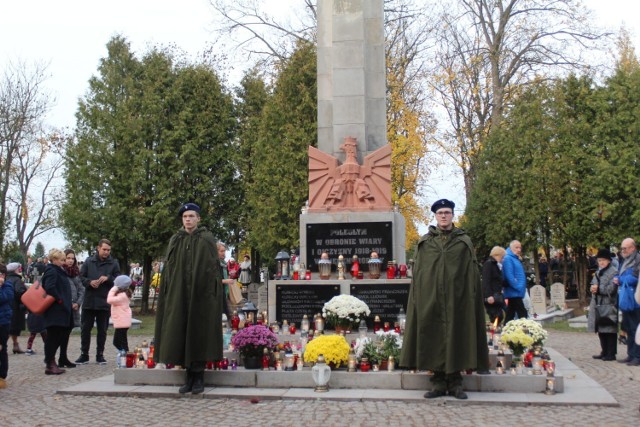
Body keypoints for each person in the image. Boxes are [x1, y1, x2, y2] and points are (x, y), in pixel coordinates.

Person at [400, 199, 489, 400]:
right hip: (431, 300)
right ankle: (438, 383)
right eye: (440, 212)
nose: (443, 215)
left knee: (456, 337)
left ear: (452, 215)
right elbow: (420, 275)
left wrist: (469, 298)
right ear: (435, 215)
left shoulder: (463, 242)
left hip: (458, 300)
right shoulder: (425, 243)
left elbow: (471, 275)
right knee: (435, 338)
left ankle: (456, 383)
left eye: (447, 212)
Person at [154, 203, 223, 395]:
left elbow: (212, 269)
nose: (188, 219)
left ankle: (199, 377)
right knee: (180, 330)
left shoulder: (206, 239)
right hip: (179, 294)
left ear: (198, 218)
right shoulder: (176, 240)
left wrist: (207, 291)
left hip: (201, 295)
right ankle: (188, 377)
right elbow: (169, 269)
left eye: (191, 216)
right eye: (185, 216)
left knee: (199, 332)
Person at [76, 239, 120, 365]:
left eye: (108, 250)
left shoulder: (113, 263)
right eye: (104, 249)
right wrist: (89, 282)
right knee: (85, 329)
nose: (106, 252)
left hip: (104, 301)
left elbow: (119, 279)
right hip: (89, 300)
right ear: (98, 248)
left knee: (102, 330)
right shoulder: (89, 261)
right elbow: (81, 277)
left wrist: (108, 278)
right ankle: (84, 354)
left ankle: (100, 354)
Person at [41, 249, 74, 375]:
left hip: (62, 309)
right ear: (54, 260)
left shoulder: (58, 270)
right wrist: (60, 300)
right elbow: (49, 287)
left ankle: (51, 361)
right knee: (53, 337)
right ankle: (50, 363)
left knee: (60, 334)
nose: (64, 262)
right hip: (56, 310)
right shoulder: (52, 270)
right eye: (61, 260)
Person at [588, 248, 618, 361]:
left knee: (609, 329)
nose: (601, 262)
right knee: (601, 328)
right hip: (597, 303)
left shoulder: (614, 272)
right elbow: (593, 284)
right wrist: (593, 288)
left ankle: (611, 353)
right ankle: (604, 351)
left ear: (609, 261)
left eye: (603, 260)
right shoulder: (597, 272)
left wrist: (599, 289)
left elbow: (612, 289)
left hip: (608, 304)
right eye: (599, 260)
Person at [615, 238, 640, 366]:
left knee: (636, 328)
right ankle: (630, 354)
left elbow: (635, 278)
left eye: (625, 248)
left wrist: (620, 279)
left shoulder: (638, 260)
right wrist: (617, 278)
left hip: (636, 299)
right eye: (622, 248)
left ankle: (638, 356)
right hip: (626, 297)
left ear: (633, 248)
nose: (622, 251)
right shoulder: (624, 260)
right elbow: (620, 274)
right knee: (628, 327)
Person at [58, 249, 84, 368]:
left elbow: (81, 289)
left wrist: (78, 303)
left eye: (72, 258)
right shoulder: (59, 271)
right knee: (58, 334)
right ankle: (52, 358)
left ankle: (63, 357)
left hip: (73, 308)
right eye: (68, 258)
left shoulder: (76, 273)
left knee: (67, 333)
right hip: (62, 308)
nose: (70, 260)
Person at [502, 240, 529, 322]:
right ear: (511, 248)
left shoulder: (514, 258)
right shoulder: (508, 258)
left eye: (520, 248)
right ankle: (526, 330)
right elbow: (509, 275)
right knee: (522, 313)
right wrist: (517, 286)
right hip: (514, 291)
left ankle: (507, 330)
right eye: (516, 247)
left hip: (516, 291)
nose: (519, 250)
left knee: (511, 313)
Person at [6, 263, 27, 354]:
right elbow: (20, 292)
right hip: (16, 307)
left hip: (8, 306)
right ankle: (3, 345)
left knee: (11, 328)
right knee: (11, 329)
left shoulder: (6, 279)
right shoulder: (17, 280)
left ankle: (15, 345)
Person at [107, 275, 133, 353]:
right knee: (121, 341)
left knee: (118, 342)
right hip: (122, 321)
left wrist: (113, 289)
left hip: (122, 322)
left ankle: (125, 355)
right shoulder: (123, 294)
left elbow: (109, 300)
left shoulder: (122, 296)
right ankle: (124, 354)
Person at [482, 246, 507, 325]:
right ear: (497, 255)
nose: (503, 259)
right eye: (502, 257)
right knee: (496, 316)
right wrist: (489, 295)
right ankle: (493, 333)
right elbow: (486, 280)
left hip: (497, 295)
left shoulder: (495, 265)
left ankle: (495, 331)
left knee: (500, 315)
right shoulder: (489, 264)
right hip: (492, 296)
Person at [0, 263, 12, 388]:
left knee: (2, 348)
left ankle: (2, 375)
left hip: (3, 322)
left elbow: (4, 299)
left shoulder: (7, 286)